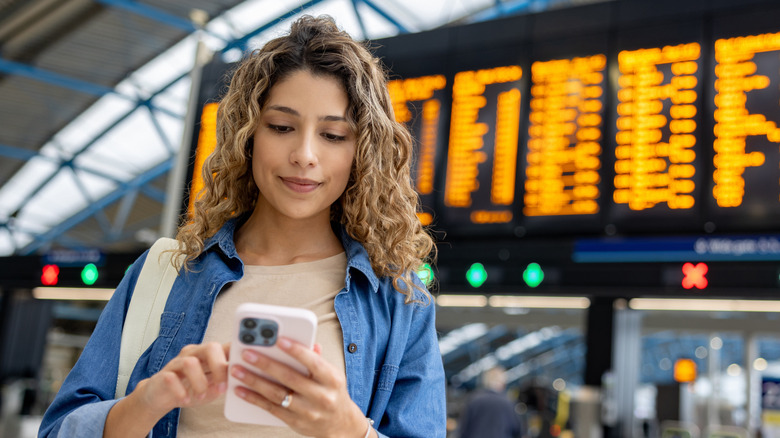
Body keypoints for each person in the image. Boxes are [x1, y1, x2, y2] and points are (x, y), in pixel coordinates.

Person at [38, 15, 445, 438]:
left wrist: (348, 430)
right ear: (249, 136)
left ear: (362, 151)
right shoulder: (165, 273)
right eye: (282, 127)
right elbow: (57, 432)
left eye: (333, 135)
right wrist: (148, 401)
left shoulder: (401, 304)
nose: (304, 154)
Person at [457, 366, 521, 438]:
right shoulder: (508, 402)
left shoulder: (473, 400)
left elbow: (463, 429)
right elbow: (517, 430)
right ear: (502, 383)